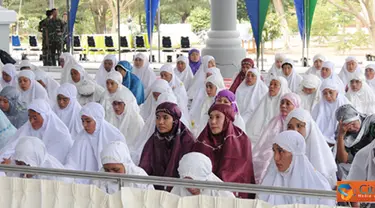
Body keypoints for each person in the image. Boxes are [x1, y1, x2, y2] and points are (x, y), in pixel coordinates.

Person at [193, 104, 255, 198]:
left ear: (227, 119)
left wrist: (215, 187)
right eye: (211, 117)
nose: (213, 122)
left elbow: (239, 174)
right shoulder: (203, 140)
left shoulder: (241, 140)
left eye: (218, 117)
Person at [258, 131, 335, 206]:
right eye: (274, 151)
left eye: (281, 151)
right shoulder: (269, 181)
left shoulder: (320, 187)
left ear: (295, 155)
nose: (276, 158)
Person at [139, 102, 194, 190]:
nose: (160, 122)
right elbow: (145, 167)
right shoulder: (155, 138)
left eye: (165, 118)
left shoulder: (186, 141)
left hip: (179, 190)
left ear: (175, 120)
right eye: (158, 118)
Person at [0, 99, 73, 164]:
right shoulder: (28, 128)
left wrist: (13, 163)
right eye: (29, 117)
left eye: (35, 118)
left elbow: (49, 162)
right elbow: (12, 146)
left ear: (45, 117)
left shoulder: (61, 135)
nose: (31, 121)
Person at [65, 102, 129, 173]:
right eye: (82, 121)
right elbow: (72, 161)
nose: (84, 125)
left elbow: (123, 165)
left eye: (88, 121)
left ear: (98, 120)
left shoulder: (115, 136)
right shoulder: (81, 137)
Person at [252, 92, 301, 183]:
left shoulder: (299, 123)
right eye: (282, 103)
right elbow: (265, 142)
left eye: (288, 103)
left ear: (295, 106)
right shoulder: (275, 121)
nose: (283, 106)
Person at [285, 108, 337, 188]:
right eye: (290, 127)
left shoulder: (320, 152)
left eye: (299, 126)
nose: (294, 131)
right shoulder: (282, 149)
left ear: (308, 127)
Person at [3, 136, 71, 182]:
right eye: (18, 163)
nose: (22, 168)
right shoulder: (18, 160)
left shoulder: (55, 176)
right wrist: (8, 170)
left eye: (27, 165)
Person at [246, 76, 291, 145]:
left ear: (282, 87)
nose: (271, 86)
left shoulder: (286, 104)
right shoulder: (265, 99)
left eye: (275, 84)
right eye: (270, 84)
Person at [334, 104, 375, 179]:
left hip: (372, 159)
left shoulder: (371, 123)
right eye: (348, 127)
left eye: (353, 124)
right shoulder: (344, 132)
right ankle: (351, 190)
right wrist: (341, 136)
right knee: (341, 168)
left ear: (358, 117)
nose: (352, 128)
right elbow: (343, 160)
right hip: (359, 163)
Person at [170, 152, 235, 198]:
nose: (191, 188)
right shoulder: (178, 190)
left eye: (195, 182)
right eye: (187, 182)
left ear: (206, 179)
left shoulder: (222, 194)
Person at [312, 80, 351, 145]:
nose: (328, 96)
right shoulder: (319, 105)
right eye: (325, 93)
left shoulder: (344, 103)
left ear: (336, 92)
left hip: (341, 138)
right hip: (321, 138)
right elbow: (313, 122)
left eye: (331, 92)